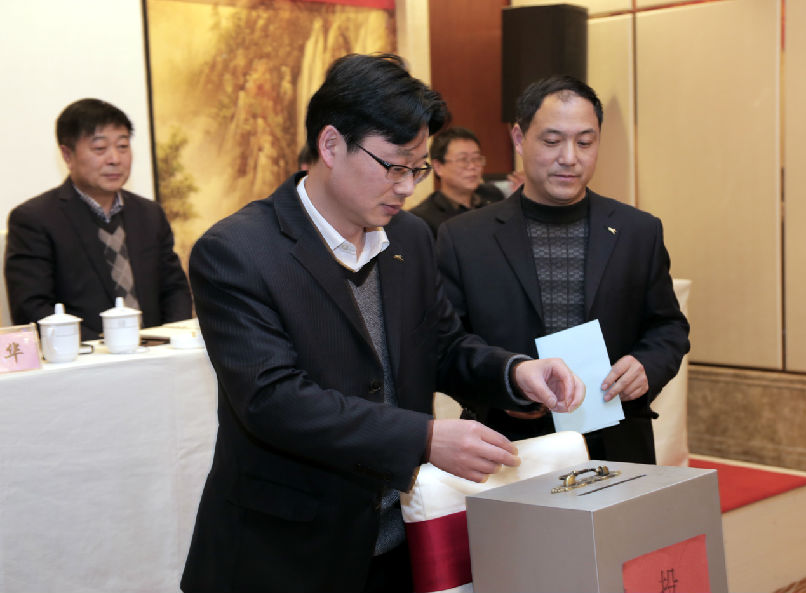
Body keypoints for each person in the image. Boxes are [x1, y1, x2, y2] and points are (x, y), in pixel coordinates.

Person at [180, 54, 584, 593]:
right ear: (331, 145)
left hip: (398, 543)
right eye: (395, 167)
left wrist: (512, 373)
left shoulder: (409, 239)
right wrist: (423, 438)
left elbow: (442, 345)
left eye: (418, 169)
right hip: (286, 552)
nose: (407, 187)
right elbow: (273, 401)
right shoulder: (237, 251)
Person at [436, 75, 689, 464]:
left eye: (585, 142)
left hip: (617, 445)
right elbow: (445, 345)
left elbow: (668, 328)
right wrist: (507, 382)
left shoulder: (638, 231)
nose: (570, 157)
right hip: (510, 448)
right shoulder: (464, 238)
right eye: (552, 141)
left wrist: (646, 366)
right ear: (519, 138)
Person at [4, 98, 192, 339]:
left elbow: (174, 289)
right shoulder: (35, 219)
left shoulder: (149, 213)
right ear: (67, 155)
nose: (115, 159)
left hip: (156, 352)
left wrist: (169, 338)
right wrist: (106, 347)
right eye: (100, 148)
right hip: (84, 356)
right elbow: (31, 308)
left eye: (123, 146)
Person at [408, 126, 504, 236]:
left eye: (476, 158)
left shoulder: (493, 196)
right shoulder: (422, 219)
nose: (472, 166)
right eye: (463, 159)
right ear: (438, 167)